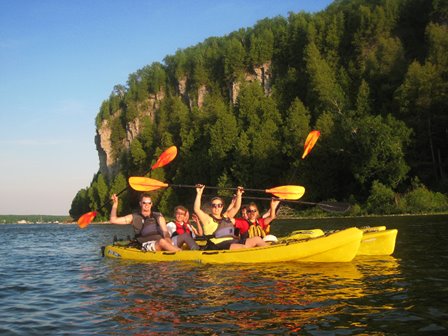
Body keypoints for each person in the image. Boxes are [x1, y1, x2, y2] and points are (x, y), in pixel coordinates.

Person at [193, 184, 266, 250]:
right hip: (218, 245)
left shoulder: (226, 216)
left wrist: (239, 195)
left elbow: (236, 207)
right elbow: (197, 209)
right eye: (214, 205)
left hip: (232, 241)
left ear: (222, 207)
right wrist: (199, 193)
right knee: (243, 247)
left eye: (219, 205)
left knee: (257, 239)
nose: (217, 207)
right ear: (211, 207)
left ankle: (269, 252)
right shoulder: (207, 219)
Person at [109, 193, 181, 252]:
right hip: (145, 244)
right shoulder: (134, 217)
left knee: (182, 236)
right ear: (140, 203)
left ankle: (185, 251)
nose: (147, 205)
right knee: (162, 241)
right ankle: (180, 253)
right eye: (144, 203)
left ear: (151, 204)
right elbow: (113, 220)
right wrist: (115, 203)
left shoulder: (158, 216)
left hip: (161, 241)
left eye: (149, 203)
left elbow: (165, 232)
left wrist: (168, 238)